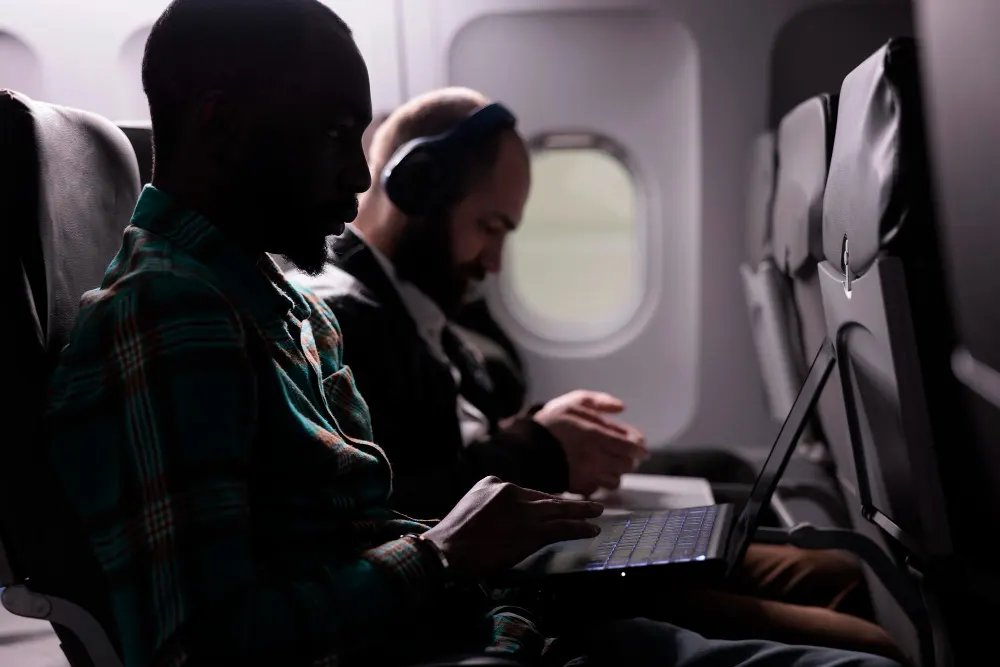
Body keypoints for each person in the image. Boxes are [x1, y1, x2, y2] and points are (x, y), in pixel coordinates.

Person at [42, 2, 902, 666]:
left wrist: (491, 537)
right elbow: (206, 645)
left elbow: (339, 539)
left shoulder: (270, 297)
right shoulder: (172, 314)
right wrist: (448, 549)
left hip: (470, 624)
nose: (359, 174)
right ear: (220, 126)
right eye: (339, 135)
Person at [295, 88, 906, 662]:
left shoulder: (418, 308)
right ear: (420, 189)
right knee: (862, 636)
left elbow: (452, 438)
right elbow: (401, 505)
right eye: (489, 228)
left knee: (838, 571)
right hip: (518, 583)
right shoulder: (353, 320)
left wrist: (545, 430)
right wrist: (541, 449)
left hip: (540, 558)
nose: (495, 261)